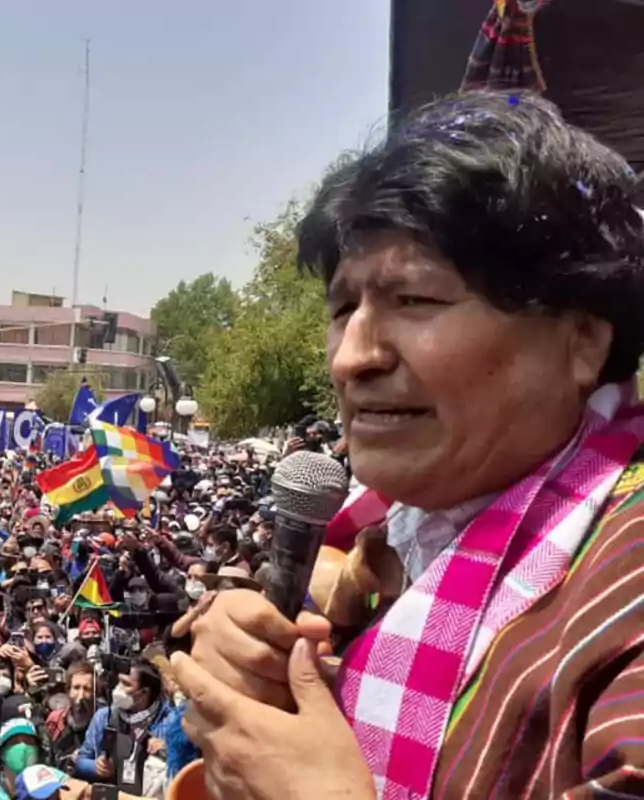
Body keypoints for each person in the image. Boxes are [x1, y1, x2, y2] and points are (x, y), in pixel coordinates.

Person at [175, 91, 644, 799]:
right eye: (342, 309)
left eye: (416, 301)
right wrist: (252, 715)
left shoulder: (621, 586)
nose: (351, 357)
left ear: (581, 340)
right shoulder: (383, 555)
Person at [75, 660, 170, 795]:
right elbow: (81, 761)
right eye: (119, 681)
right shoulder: (104, 717)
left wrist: (166, 751)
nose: (118, 688)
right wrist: (95, 767)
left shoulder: (169, 721)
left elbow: (186, 767)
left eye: (126, 684)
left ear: (143, 693)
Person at [0, 719, 41, 800]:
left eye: (29, 742)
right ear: (2, 753)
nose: (23, 747)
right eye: (14, 742)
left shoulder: (50, 783)